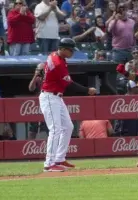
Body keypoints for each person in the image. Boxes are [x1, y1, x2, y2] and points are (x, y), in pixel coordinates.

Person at [39, 38, 97, 172]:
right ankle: (49, 163)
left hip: (56, 96)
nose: (72, 53)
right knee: (55, 129)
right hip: (49, 96)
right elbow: (69, 84)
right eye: (70, 50)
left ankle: (59, 158)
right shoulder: (57, 62)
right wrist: (87, 90)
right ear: (63, 49)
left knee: (68, 127)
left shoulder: (54, 55)